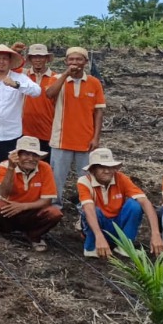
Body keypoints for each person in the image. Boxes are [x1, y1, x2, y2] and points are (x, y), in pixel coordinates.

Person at [0, 44, 42, 186]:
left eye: (5, 58)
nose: (1, 61)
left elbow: (37, 91)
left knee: (11, 171)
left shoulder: (20, 78)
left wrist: (16, 85)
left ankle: (7, 202)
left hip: (11, 136)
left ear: (10, 62)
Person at [78, 148, 163, 258]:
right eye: (101, 167)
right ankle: (91, 247)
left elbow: (145, 202)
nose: (107, 171)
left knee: (135, 205)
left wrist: (156, 234)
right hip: (98, 224)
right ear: (93, 169)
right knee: (92, 210)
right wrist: (99, 236)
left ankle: (125, 247)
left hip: (116, 223)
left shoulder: (121, 178)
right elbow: (88, 208)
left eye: (109, 167)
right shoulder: (84, 181)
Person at [46, 47, 105, 207]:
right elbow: (50, 94)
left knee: (86, 178)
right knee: (56, 178)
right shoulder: (57, 78)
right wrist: (65, 75)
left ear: (85, 62)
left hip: (85, 140)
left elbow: (98, 112)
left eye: (79, 59)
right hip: (61, 139)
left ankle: (85, 209)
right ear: (65, 62)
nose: (75, 63)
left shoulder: (94, 83)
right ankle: (54, 208)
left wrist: (96, 138)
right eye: (71, 59)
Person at [0, 137, 62, 252]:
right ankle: (6, 233)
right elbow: (4, 193)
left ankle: (34, 235)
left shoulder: (45, 168)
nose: (31, 159)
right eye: (26, 154)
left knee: (55, 213)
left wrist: (23, 206)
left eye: (35, 155)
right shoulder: (5, 166)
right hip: (10, 209)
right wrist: (11, 168)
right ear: (17, 155)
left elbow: (47, 201)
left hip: (33, 210)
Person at [21, 44, 57, 155]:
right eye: (34, 57)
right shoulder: (23, 75)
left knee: (44, 163)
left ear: (46, 59)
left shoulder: (56, 78)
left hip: (47, 130)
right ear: (30, 59)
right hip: (24, 129)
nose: (38, 60)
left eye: (41, 57)